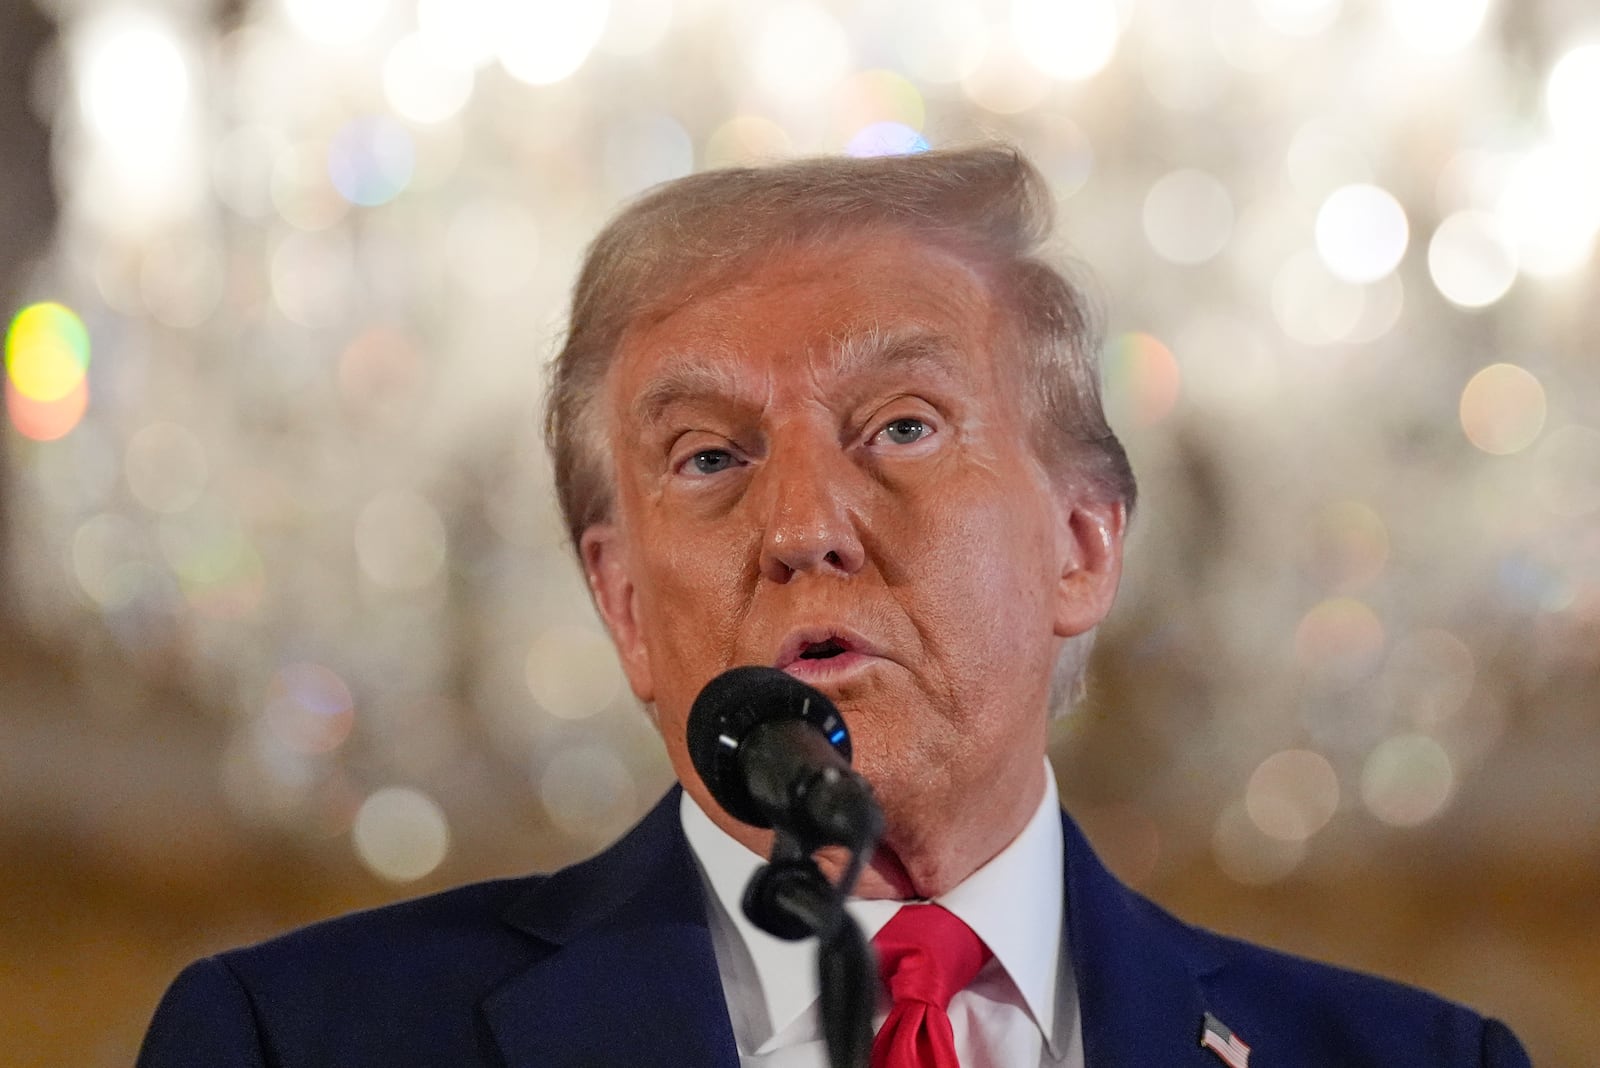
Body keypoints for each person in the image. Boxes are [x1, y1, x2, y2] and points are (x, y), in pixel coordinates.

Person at [138, 146, 1530, 1067]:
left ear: (1083, 545)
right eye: (709, 458)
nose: (803, 526)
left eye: (905, 426)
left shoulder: (1420, 1062)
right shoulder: (298, 1039)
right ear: (623, 606)